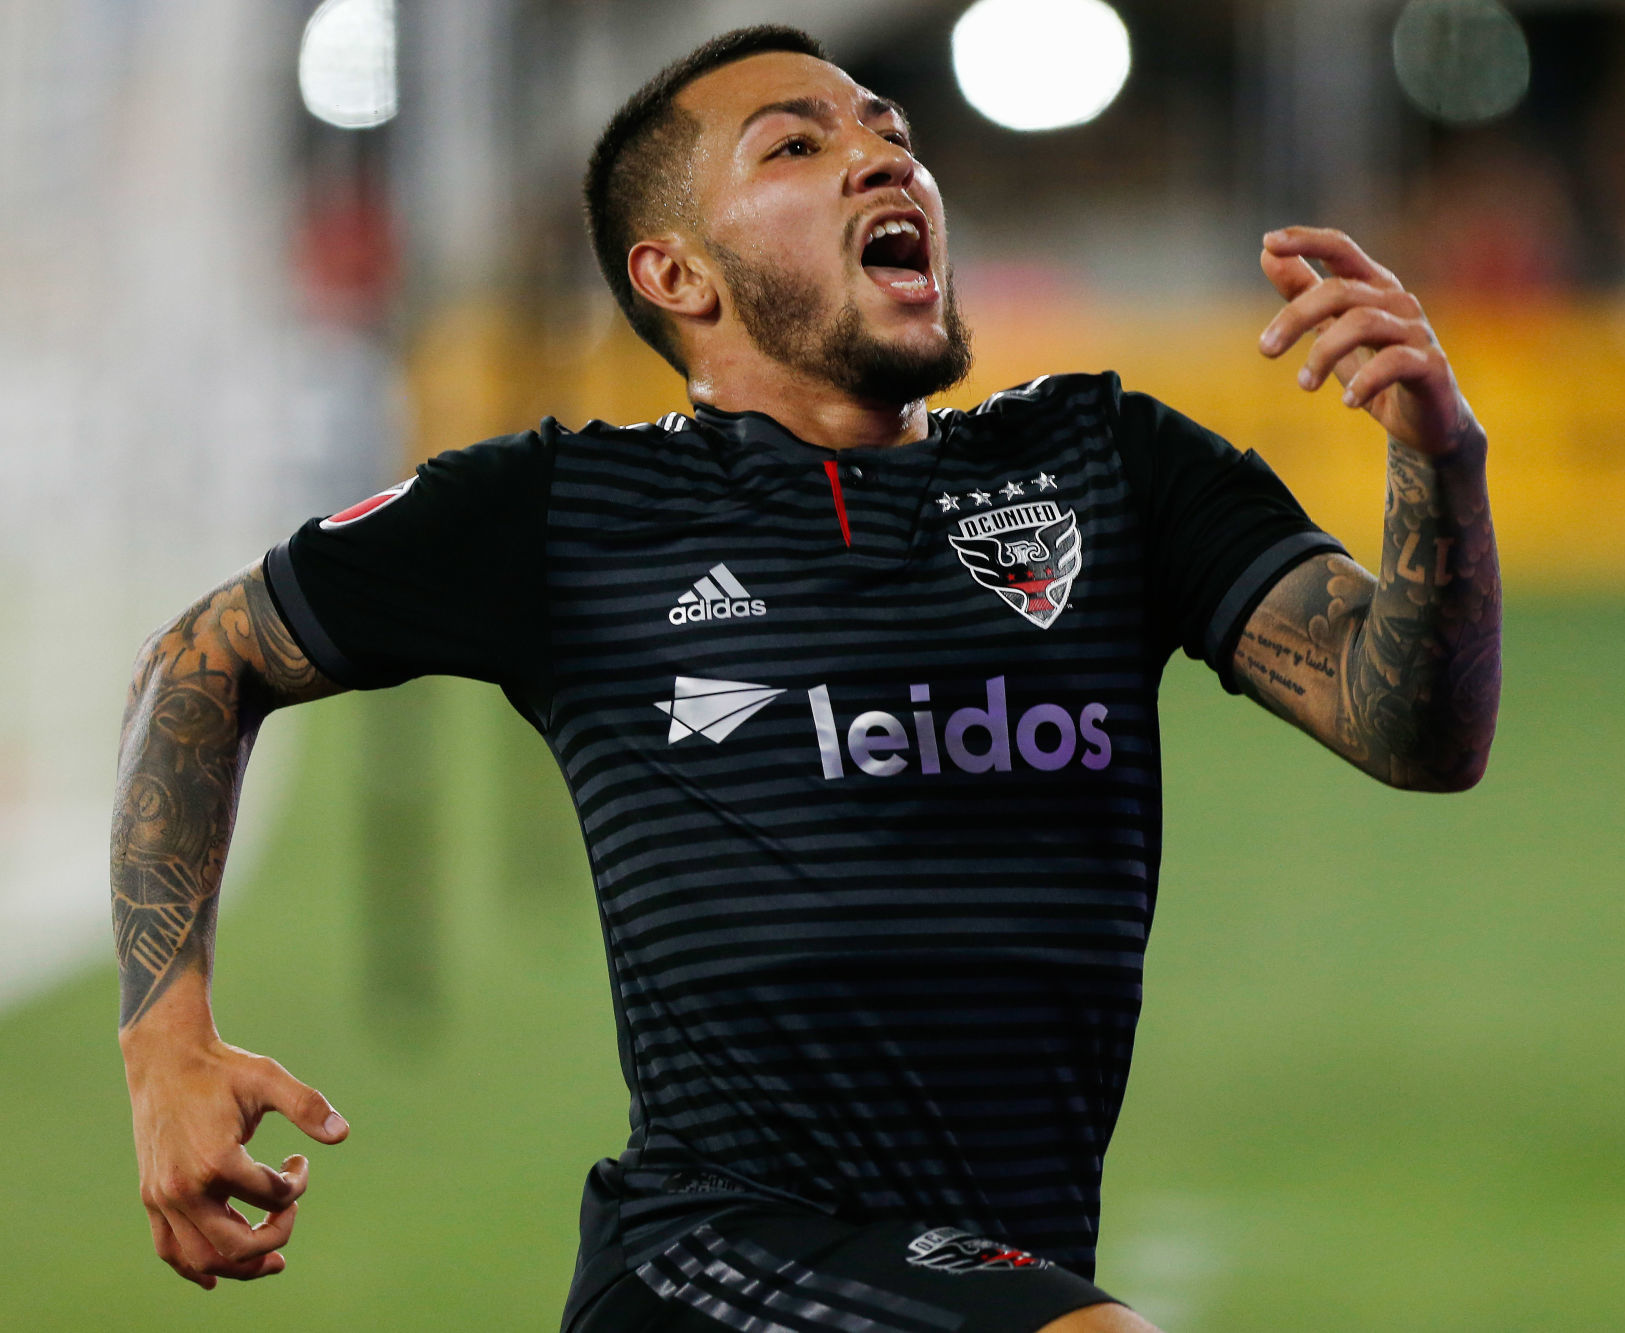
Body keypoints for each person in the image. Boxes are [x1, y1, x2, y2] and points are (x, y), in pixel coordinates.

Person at [111, 25, 1500, 1333]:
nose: (882, 154)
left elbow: (1416, 728)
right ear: (679, 275)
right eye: (796, 145)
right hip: (712, 1259)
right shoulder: (566, 512)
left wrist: (1440, 460)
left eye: (887, 129)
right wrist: (165, 1043)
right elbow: (201, 661)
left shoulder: (1110, 467)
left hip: (986, 1265)